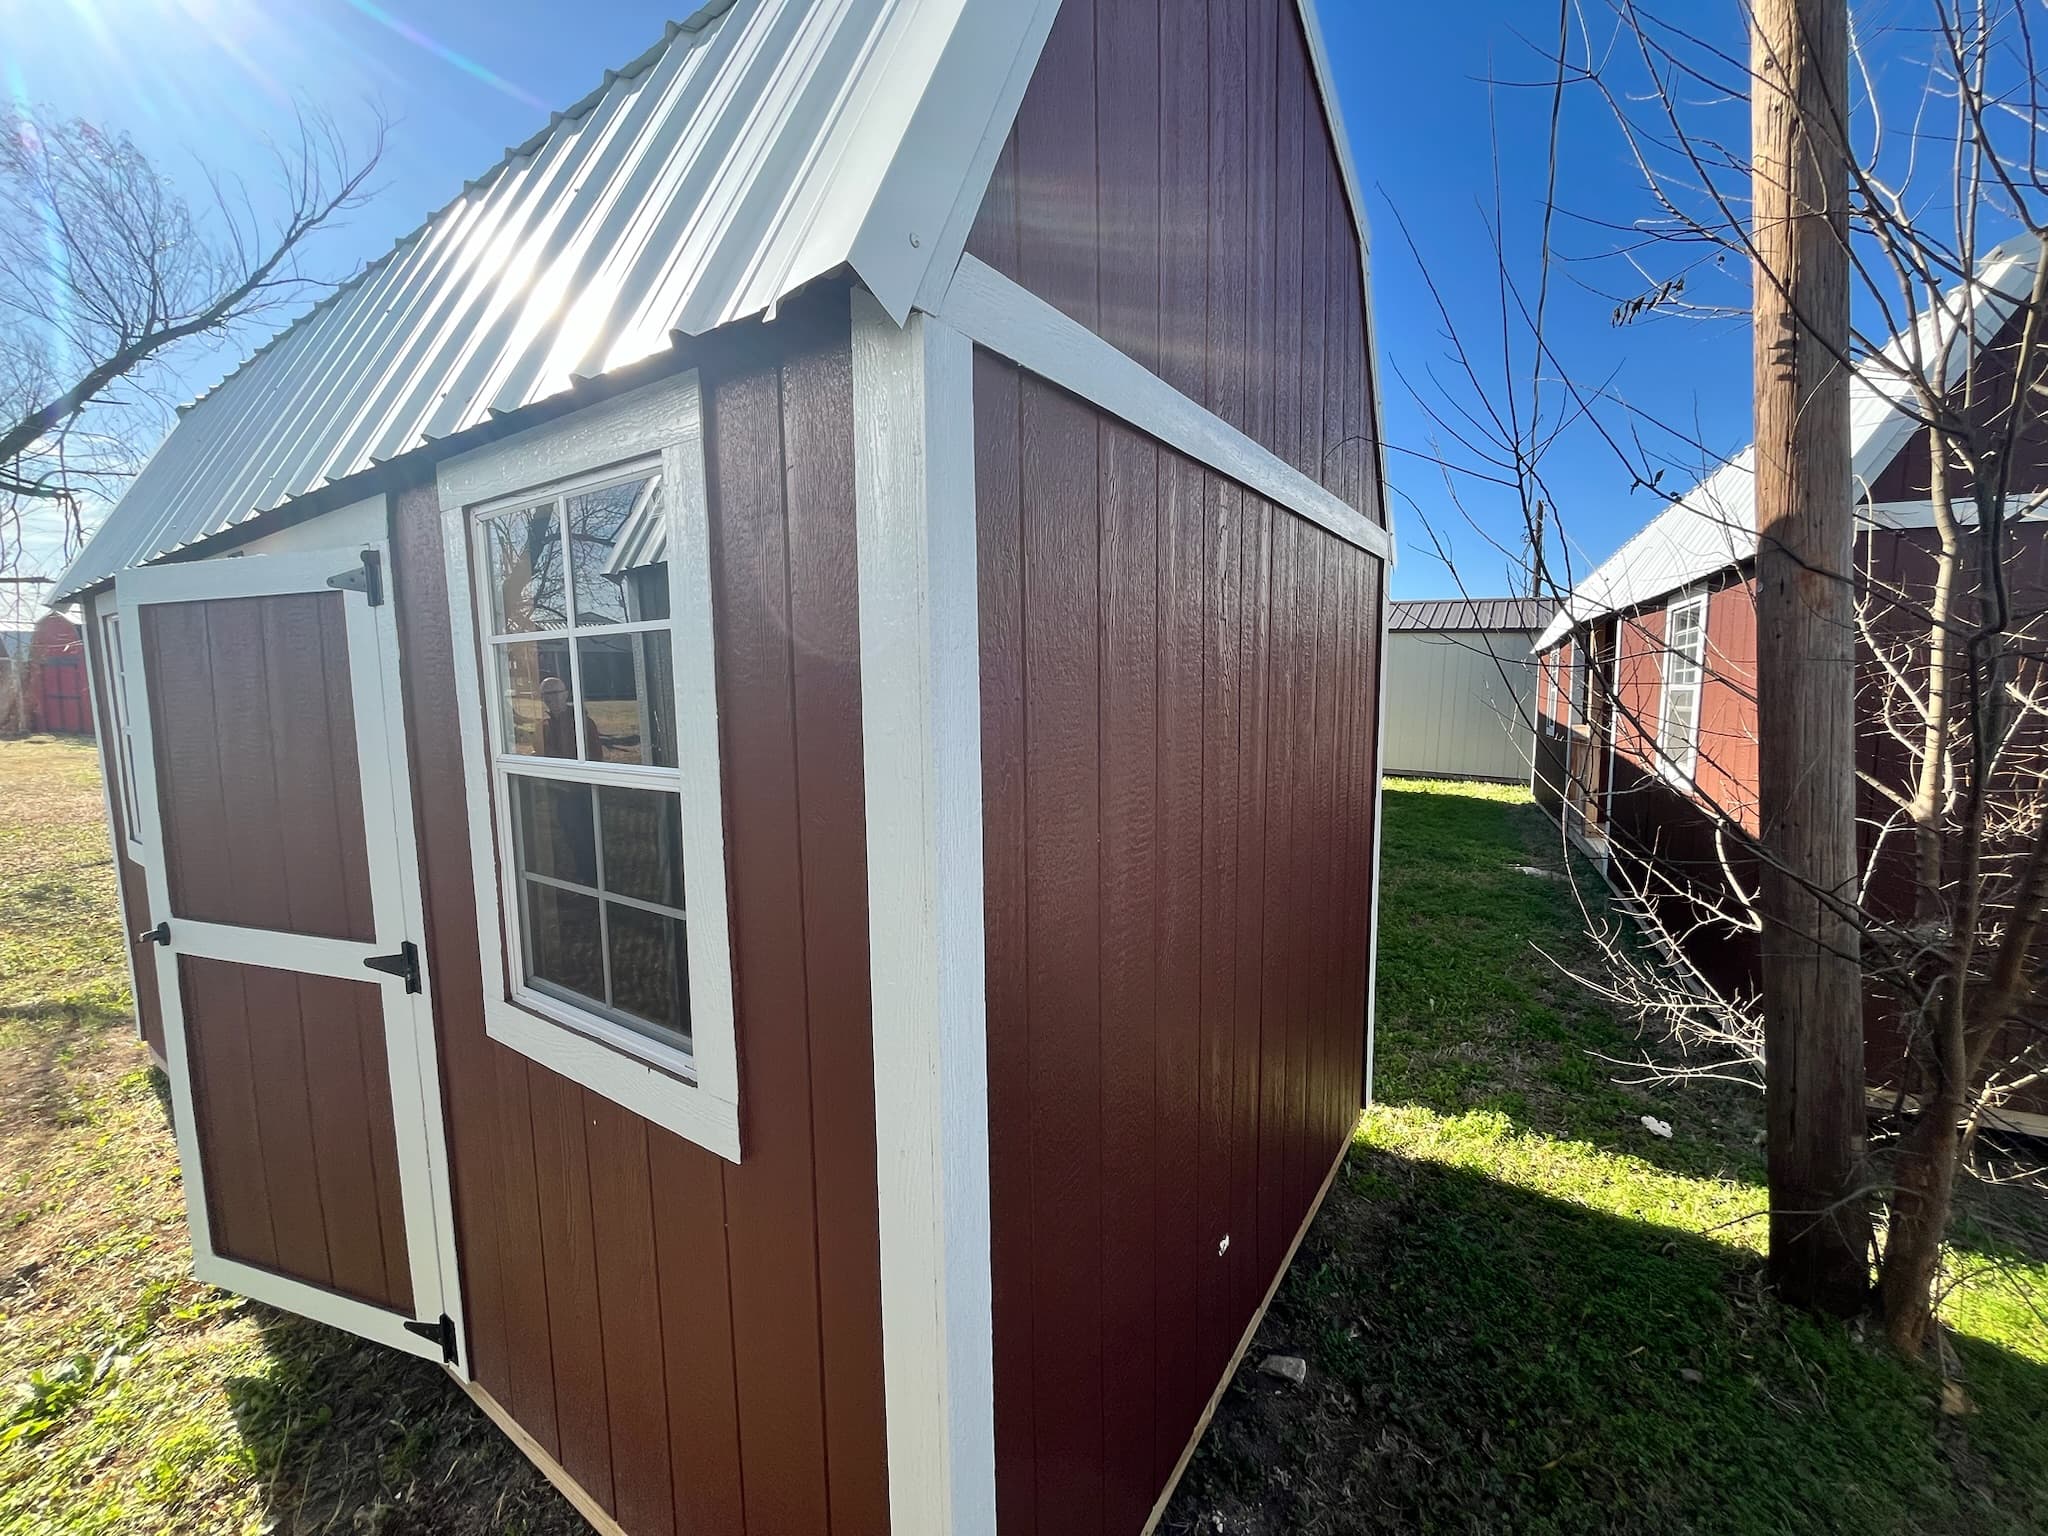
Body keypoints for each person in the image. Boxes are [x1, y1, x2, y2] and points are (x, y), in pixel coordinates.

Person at [537, 674, 603, 760]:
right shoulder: (545, 724)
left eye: (554, 693)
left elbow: (596, 757)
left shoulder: (583, 723)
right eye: (544, 694)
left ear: (565, 695)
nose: (549, 698)